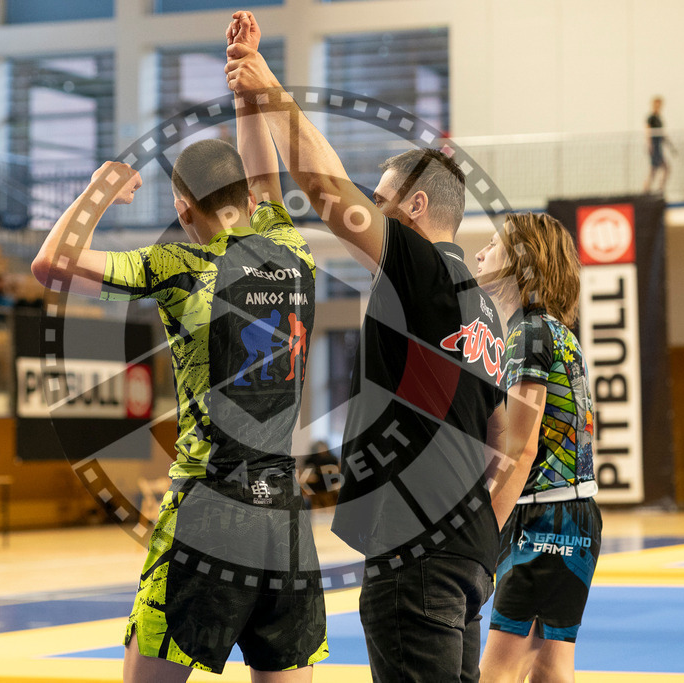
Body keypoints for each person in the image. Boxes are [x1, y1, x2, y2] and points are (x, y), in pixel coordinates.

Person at [30, 19, 325, 679]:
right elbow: (266, 181)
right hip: (285, 515)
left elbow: (51, 263)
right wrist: (249, 74)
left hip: (209, 509)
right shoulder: (292, 248)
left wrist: (100, 191)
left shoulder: (178, 268)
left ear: (182, 207)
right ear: (248, 199)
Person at [226, 12, 508, 682]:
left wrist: (268, 87)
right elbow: (499, 437)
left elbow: (324, 191)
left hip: (418, 557)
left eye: (379, 200)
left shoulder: (422, 269)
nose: (369, 209)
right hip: (468, 553)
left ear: (410, 209)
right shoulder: (481, 304)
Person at [474, 212, 602, 683]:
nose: (479, 252)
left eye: (492, 243)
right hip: (572, 517)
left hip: (544, 520)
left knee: (499, 672)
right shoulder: (553, 330)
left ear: (522, 262)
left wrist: (483, 527)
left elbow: (520, 448)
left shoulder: (529, 334)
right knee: (550, 667)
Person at [641, 96, 673, 194]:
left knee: (659, 169)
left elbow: (662, 134)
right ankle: (647, 190)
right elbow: (648, 132)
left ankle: (658, 188)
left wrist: (670, 145)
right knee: (655, 170)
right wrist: (650, 145)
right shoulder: (651, 118)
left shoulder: (659, 118)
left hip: (659, 146)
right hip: (654, 147)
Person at [299, 441, 339, 510]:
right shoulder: (311, 460)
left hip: (327, 485)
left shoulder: (332, 460)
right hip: (316, 485)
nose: (322, 450)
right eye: (320, 448)